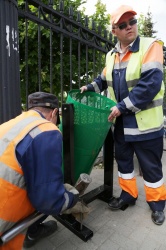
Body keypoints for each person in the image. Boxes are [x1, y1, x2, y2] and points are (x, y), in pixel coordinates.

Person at [80, 5, 166, 225]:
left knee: (150, 166)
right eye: (123, 25)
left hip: (145, 124)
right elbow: (102, 80)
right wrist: (89, 87)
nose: (130, 27)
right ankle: (128, 196)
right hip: (121, 124)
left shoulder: (150, 46)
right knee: (125, 163)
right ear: (114, 31)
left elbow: (150, 84)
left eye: (132, 21)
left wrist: (122, 106)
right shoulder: (111, 55)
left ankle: (157, 205)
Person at [0, 92, 84, 249]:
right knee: (50, 195)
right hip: (4, 220)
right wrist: (71, 198)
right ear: (53, 113)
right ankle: (30, 231)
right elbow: (48, 201)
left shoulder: (12, 123)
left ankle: (33, 231)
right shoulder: (45, 130)